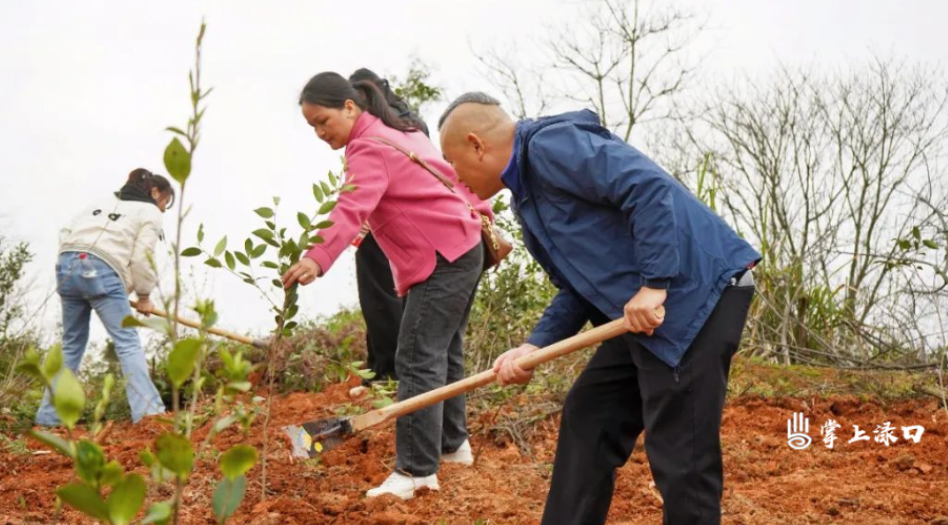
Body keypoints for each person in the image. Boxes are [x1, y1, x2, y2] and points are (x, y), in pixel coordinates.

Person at [438, 93, 761, 525]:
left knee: (681, 451)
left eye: (452, 162)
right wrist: (532, 345)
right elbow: (577, 289)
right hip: (645, 316)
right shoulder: (528, 200)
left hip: (696, 296)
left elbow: (645, 187)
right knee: (590, 416)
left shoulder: (550, 146)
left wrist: (654, 284)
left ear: (477, 144)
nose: (453, 177)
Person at [281, 72, 492, 500]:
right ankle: (452, 446)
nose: (321, 133)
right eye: (312, 128)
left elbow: (351, 206)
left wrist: (316, 257)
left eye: (324, 121)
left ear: (349, 107)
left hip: (441, 258)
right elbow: (447, 175)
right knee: (445, 350)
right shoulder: (400, 130)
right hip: (463, 245)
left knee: (416, 357)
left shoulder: (366, 147)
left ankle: (415, 472)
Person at [36, 168, 171, 426]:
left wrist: (76, 263)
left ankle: (48, 419)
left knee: (71, 344)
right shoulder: (150, 211)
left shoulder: (102, 200)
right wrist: (143, 295)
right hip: (102, 268)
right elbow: (143, 257)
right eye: (165, 202)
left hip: (67, 264)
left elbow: (66, 230)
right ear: (154, 193)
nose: (164, 209)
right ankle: (149, 415)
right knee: (127, 341)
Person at [346, 67, 431, 381]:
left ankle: (389, 371)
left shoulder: (386, 122)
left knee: (379, 293)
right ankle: (384, 366)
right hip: (410, 221)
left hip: (387, 218)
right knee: (395, 293)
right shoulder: (406, 117)